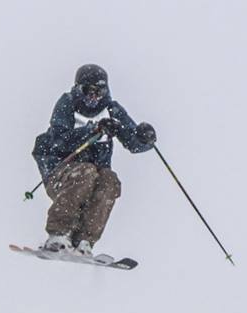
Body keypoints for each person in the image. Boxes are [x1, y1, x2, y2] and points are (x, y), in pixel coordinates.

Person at [32, 64, 157, 256]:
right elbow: (58, 140)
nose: (94, 97)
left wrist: (144, 138)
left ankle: (84, 241)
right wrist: (94, 130)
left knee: (109, 180)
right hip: (62, 174)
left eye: (99, 91)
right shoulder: (67, 104)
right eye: (87, 91)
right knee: (86, 172)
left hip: (94, 178)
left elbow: (133, 144)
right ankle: (58, 234)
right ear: (78, 88)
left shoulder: (112, 110)